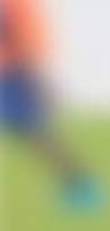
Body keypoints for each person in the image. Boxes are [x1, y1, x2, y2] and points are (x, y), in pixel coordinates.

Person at [0, 0, 103, 210]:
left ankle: (80, 184)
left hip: (12, 74)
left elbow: (30, 37)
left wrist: (33, 74)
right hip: (12, 72)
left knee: (35, 133)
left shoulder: (17, 5)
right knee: (35, 134)